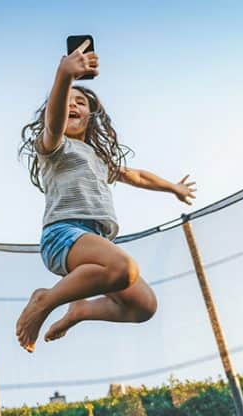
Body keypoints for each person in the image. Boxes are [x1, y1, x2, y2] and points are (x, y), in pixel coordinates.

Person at [16, 39, 197, 353]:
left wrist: (173, 187)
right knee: (123, 269)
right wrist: (64, 76)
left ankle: (81, 310)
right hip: (64, 233)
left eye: (81, 103)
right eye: (67, 101)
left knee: (143, 306)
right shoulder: (53, 148)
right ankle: (47, 300)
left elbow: (136, 175)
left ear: (91, 116)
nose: (73, 105)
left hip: (95, 240)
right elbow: (54, 122)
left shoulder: (98, 158)